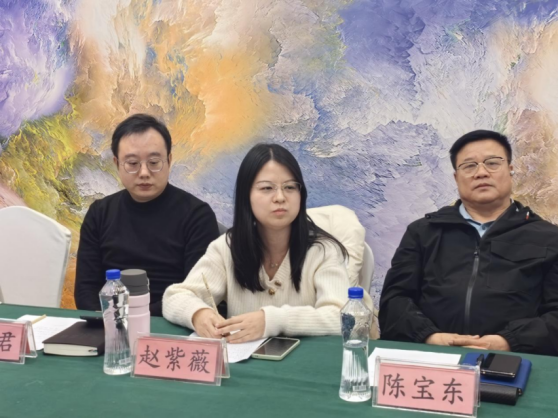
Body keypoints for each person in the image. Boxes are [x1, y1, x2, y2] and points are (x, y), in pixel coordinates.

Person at [379, 130, 558, 356]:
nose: (481, 173)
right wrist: (430, 337)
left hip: (514, 359)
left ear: (510, 170)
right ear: (456, 178)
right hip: (430, 357)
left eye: (492, 163)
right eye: (469, 166)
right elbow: (394, 302)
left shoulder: (548, 238)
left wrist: (509, 341)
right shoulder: (423, 232)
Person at [163, 143, 363, 344]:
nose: (280, 197)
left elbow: (344, 318)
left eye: (290, 187)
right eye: (267, 188)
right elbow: (175, 297)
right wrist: (199, 314)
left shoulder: (323, 251)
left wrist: (272, 320)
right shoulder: (227, 248)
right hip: (243, 360)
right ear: (246, 196)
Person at [75, 114, 219, 316]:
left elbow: (196, 293)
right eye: (132, 163)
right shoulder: (99, 213)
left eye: (153, 162)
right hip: (110, 325)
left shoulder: (197, 216)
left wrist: (134, 318)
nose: (144, 172)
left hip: (171, 322)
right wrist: (111, 322)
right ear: (117, 164)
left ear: (169, 161)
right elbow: (85, 291)